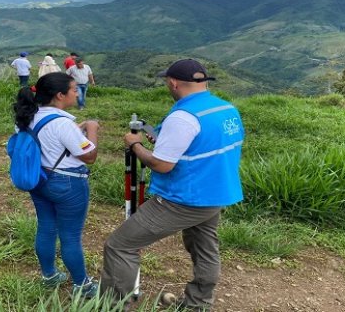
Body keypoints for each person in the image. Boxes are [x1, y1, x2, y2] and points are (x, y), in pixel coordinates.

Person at [100, 59, 244, 311]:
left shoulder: (183, 116)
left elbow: (162, 164)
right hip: (217, 193)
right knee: (204, 248)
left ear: (173, 82)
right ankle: (197, 304)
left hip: (183, 198)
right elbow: (205, 145)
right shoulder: (226, 108)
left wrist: (135, 145)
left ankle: (111, 306)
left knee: (120, 245)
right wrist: (162, 137)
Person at [13, 72, 101, 298]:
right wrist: (91, 129)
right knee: (71, 236)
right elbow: (89, 155)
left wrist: (76, 130)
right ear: (60, 95)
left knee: (46, 227)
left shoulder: (28, 117)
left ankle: (49, 275)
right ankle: (83, 286)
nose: (76, 93)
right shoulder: (63, 123)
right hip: (68, 184)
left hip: (40, 180)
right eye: (74, 90)